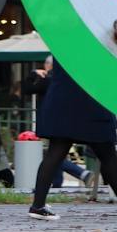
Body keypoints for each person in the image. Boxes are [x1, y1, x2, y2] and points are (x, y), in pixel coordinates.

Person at [28, 57, 117, 222]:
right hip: (90, 102)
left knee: (54, 154)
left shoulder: (61, 42)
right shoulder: (92, 40)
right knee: (107, 155)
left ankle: (38, 205)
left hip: (61, 102)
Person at [24, 58, 87, 187]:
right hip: (66, 120)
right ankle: (57, 182)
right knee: (56, 151)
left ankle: (81, 173)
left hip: (49, 121)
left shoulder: (48, 79)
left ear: (49, 65)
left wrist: (33, 74)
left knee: (53, 154)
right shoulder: (67, 78)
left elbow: (28, 89)